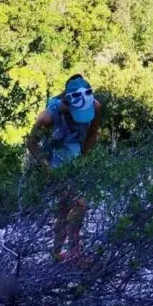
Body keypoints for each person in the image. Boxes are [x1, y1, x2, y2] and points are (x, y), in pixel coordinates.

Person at [25, 74, 102, 264]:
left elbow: (92, 133)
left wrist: (83, 159)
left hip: (74, 161)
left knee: (64, 208)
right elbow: (31, 143)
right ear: (67, 103)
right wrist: (47, 168)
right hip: (52, 163)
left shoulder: (95, 106)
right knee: (79, 204)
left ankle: (56, 254)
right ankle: (75, 253)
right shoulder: (48, 116)